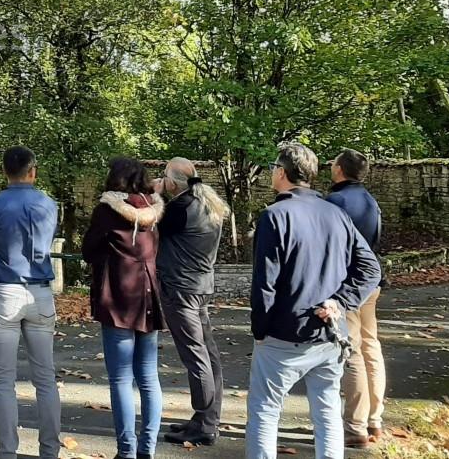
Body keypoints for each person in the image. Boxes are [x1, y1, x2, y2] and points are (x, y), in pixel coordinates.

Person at [247, 143, 381, 459]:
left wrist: (260, 329)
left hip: (283, 333)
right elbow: (370, 267)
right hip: (329, 331)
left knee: (265, 412)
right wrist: (341, 301)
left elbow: (265, 283)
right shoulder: (336, 214)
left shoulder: (274, 216)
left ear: (281, 172)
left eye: (272, 168)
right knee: (327, 411)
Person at [0, 146, 62, 459]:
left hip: (6, 291)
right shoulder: (48, 204)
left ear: (4, 171)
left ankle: (7, 452)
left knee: (2, 380)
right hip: (40, 291)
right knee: (45, 378)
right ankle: (50, 451)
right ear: (32, 170)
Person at [82, 157, 166, 459]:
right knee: (148, 377)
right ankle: (148, 449)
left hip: (117, 297)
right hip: (147, 297)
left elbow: (88, 249)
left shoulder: (107, 211)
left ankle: (127, 450)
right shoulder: (155, 211)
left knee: (120, 379)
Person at [156, 159, 229, 448]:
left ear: (172, 183)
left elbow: (152, 225)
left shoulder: (179, 209)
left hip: (180, 289)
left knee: (195, 356)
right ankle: (207, 419)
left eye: (164, 177)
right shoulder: (206, 203)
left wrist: (156, 195)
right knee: (208, 355)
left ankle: (204, 424)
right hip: (199, 286)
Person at [324, 149, 386, 447]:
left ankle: (355, 426)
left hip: (345, 285)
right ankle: (375, 419)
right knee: (371, 345)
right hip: (370, 281)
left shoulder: (335, 202)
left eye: (333, 163)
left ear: (340, 169)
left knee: (353, 352)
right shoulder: (370, 201)